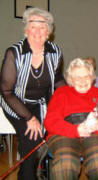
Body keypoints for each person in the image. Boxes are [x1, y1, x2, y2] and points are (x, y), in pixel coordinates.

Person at [0, 7, 65, 180]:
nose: (37, 31)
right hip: (15, 101)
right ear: (26, 29)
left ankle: (35, 174)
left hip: (41, 102)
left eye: (42, 26)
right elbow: (6, 91)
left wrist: (68, 94)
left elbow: (58, 80)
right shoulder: (14, 53)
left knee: (48, 136)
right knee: (32, 137)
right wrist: (30, 118)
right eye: (33, 26)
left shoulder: (55, 52)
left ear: (49, 31)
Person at [44, 58, 98, 180]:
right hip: (65, 134)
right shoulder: (61, 93)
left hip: (95, 135)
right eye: (78, 77)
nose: (82, 81)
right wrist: (76, 130)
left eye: (86, 76)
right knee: (65, 163)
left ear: (92, 78)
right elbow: (50, 121)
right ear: (70, 80)